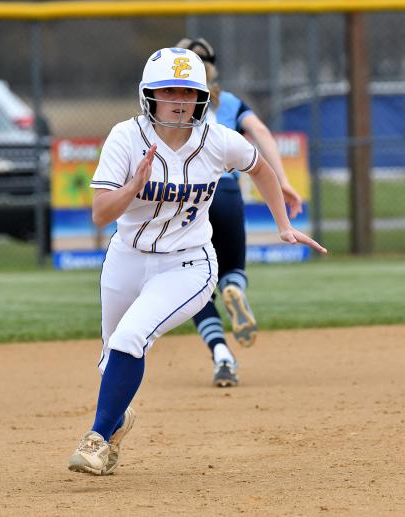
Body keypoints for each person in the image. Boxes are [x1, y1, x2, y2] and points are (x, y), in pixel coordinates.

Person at [67, 47, 327, 476]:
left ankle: (95, 439)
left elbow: (260, 169)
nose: (179, 100)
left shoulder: (217, 140)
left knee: (131, 337)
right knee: (110, 358)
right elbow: (100, 213)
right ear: (149, 96)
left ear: (202, 98)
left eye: (188, 92)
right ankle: (116, 420)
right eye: (168, 91)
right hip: (126, 257)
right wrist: (133, 186)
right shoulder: (126, 137)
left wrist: (283, 225)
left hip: (188, 264)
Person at [176, 37, 305, 387]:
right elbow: (260, 132)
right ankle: (234, 288)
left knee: (194, 284)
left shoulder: (170, 102)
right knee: (232, 267)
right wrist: (283, 181)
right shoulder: (229, 101)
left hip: (190, 198)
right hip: (228, 191)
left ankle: (221, 354)